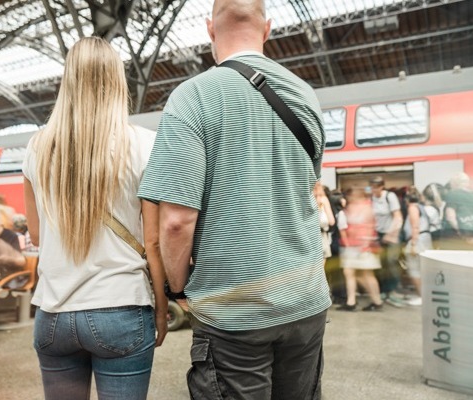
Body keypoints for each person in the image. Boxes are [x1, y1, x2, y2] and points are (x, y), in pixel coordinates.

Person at [137, 1, 329, 398]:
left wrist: (179, 288)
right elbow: (308, 189)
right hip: (307, 302)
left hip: (234, 312)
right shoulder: (305, 94)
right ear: (269, 29)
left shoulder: (193, 97)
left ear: (209, 29)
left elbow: (175, 221)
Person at [22, 37, 167, 400]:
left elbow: (36, 234)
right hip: (121, 306)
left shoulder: (37, 147)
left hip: (53, 313)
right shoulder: (145, 144)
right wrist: (162, 308)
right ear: (117, 82)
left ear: (67, 81)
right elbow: (153, 241)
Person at [337, 188, 384, 311]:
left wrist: (365, 244)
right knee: (355, 273)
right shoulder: (362, 206)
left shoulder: (365, 208)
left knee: (364, 274)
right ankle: (353, 301)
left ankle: (373, 301)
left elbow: (369, 227)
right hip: (355, 246)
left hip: (361, 246)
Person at [369, 176, 404, 307]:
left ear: (381, 187)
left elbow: (398, 217)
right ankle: (384, 291)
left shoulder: (390, 196)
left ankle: (394, 290)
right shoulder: (372, 198)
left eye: (375, 187)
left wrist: (390, 235)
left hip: (392, 234)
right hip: (378, 235)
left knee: (391, 261)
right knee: (381, 264)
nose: (373, 189)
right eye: (371, 186)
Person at [401, 187, 432, 306]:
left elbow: (415, 227)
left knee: (414, 270)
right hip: (424, 239)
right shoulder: (422, 208)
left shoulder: (412, 208)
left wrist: (413, 245)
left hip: (417, 240)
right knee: (421, 269)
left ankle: (422, 296)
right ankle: (424, 295)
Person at [442, 172, 473, 249]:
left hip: (457, 237)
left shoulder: (452, 195)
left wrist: (461, 232)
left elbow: (450, 216)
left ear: (454, 183)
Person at [315, 182, 335, 259]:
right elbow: (331, 221)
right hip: (321, 237)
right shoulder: (324, 199)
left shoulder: (303, 198)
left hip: (305, 237)